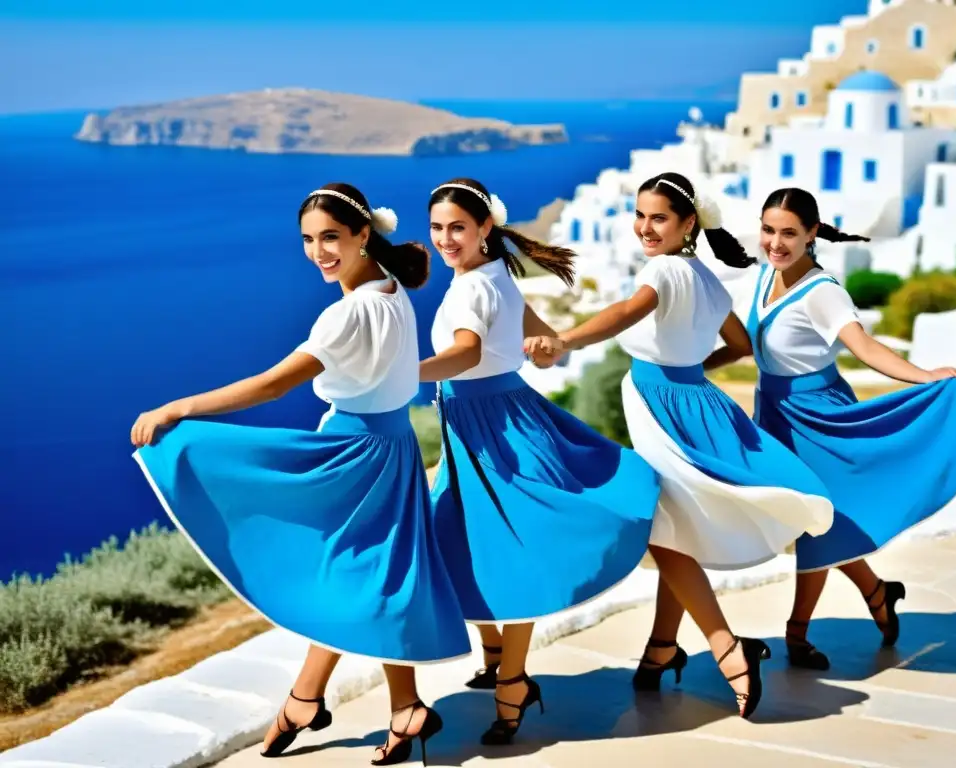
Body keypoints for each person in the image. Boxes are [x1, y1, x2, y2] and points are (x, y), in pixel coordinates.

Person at [131, 183, 469, 766]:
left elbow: (271, 384)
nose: (319, 251)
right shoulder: (394, 293)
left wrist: (178, 408)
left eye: (331, 237)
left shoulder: (346, 314)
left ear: (365, 234)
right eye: (309, 240)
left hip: (352, 454)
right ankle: (364, 702)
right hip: (394, 446)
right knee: (367, 577)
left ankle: (317, 700)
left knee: (347, 576)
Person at [524, 172, 834, 719]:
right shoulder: (707, 278)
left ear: (688, 223)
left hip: (661, 405)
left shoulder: (664, 270)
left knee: (666, 535)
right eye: (640, 215)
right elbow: (740, 345)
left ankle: (728, 651)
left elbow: (626, 312)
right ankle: (661, 650)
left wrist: (566, 339)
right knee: (676, 529)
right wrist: (691, 369)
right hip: (693, 398)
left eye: (659, 217)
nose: (645, 227)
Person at [422, 177, 660, 744]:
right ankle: (498, 656)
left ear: (484, 228)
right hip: (494, 420)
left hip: (492, 428)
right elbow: (548, 349)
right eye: (437, 227)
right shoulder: (498, 275)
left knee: (506, 543)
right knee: (470, 535)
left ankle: (512, 679)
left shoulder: (473, 289)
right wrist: (543, 349)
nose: (446, 238)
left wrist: (400, 371)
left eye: (458, 227)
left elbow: (466, 352)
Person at [741, 186, 956, 670]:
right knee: (813, 520)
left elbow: (866, 348)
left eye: (789, 233)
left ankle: (797, 634)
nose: (775, 241)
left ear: (812, 234)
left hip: (819, 417)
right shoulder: (764, 278)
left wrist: (926, 376)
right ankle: (877, 592)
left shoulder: (823, 291)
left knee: (819, 525)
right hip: (775, 415)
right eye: (768, 229)